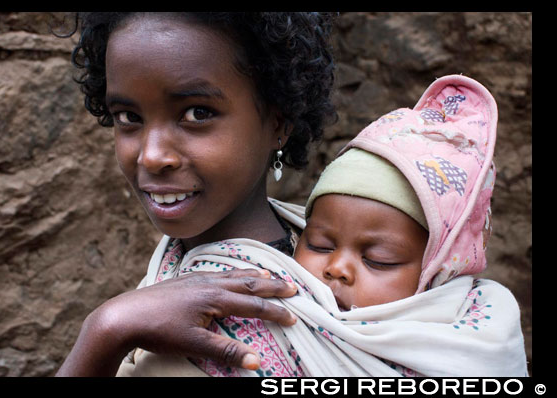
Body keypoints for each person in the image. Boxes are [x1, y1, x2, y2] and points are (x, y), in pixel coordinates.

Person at [162, 74, 528, 376]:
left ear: (437, 273)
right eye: (320, 244)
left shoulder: (479, 348)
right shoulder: (272, 311)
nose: (336, 268)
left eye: (379, 259)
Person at [55, 12, 338, 376]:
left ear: (278, 123)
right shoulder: (169, 284)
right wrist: (110, 327)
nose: (152, 155)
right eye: (128, 116)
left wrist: (106, 329)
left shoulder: (301, 304)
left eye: (197, 113)